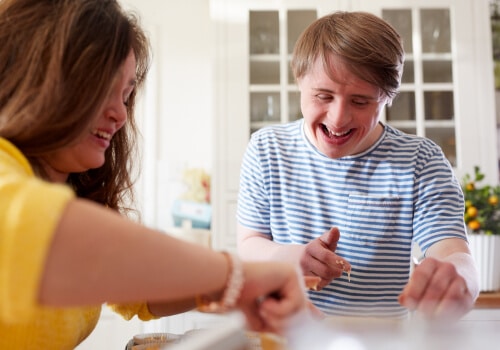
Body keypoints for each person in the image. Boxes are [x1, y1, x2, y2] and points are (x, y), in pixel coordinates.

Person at [0, 0, 315, 348]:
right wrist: (238, 276)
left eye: (127, 94)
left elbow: (136, 288)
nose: (120, 114)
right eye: (103, 87)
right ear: (41, 76)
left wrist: (244, 287)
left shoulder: (74, 192)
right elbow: (43, 230)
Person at [237, 11, 479, 320]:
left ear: (387, 97)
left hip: (383, 341)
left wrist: (459, 279)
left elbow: (454, 253)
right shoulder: (267, 149)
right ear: (299, 81)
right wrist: (287, 256)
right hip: (287, 336)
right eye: (323, 96)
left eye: (361, 102)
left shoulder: (421, 161)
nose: (338, 119)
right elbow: (248, 243)